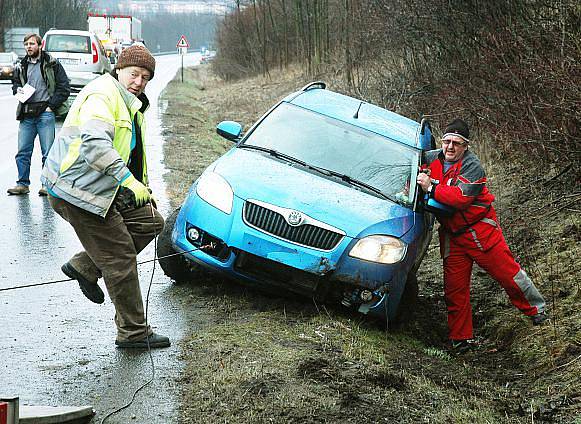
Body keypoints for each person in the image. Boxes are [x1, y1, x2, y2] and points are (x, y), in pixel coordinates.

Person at [41, 45, 169, 349]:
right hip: (77, 190)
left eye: (146, 77)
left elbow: (133, 155)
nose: (139, 81)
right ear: (119, 69)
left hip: (103, 186)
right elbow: (96, 146)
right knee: (120, 256)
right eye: (134, 74)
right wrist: (126, 180)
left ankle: (86, 266)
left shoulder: (133, 105)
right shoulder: (103, 95)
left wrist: (142, 189)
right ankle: (133, 332)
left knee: (150, 222)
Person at [417, 118, 547, 351]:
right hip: (451, 235)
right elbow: (412, 166)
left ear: (465, 146)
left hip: (480, 231)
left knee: (509, 274)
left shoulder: (474, 167)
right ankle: (461, 339)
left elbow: (459, 198)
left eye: (457, 143)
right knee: (454, 290)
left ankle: (537, 310)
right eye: (447, 141)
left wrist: (431, 187)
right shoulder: (431, 158)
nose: (450, 147)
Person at [9, 33, 70, 196]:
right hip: (27, 114)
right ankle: (22, 184)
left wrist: (51, 106)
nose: (29, 47)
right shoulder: (22, 65)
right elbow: (15, 82)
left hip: (45, 114)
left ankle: (47, 185)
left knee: (48, 152)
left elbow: (64, 87)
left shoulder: (52, 64)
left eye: (32, 44)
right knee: (23, 152)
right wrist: (17, 90)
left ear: (40, 45)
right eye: (26, 44)